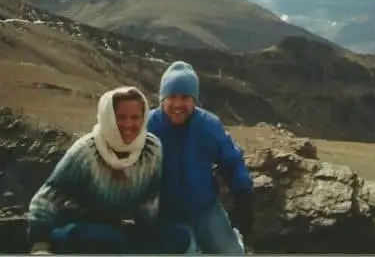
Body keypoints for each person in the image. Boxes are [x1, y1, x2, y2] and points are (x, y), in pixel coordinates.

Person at [27, 86, 196, 255]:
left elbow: (148, 200)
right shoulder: (86, 151)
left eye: (135, 117)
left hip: (114, 228)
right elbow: (44, 200)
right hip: (75, 229)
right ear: (108, 117)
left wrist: (147, 234)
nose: (128, 124)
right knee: (110, 240)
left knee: (180, 236)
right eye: (120, 117)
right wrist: (40, 246)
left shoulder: (152, 148)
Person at [147, 61, 254, 254]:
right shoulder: (148, 127)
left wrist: (243, 196)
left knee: (232, 253)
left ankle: (234, 238)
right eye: (172, 96)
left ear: (195, 100)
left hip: (205, 209)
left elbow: (232, 161)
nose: (178, 104)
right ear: (162, 98)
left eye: (185, 97)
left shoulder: (209, 126)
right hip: (164, 215)